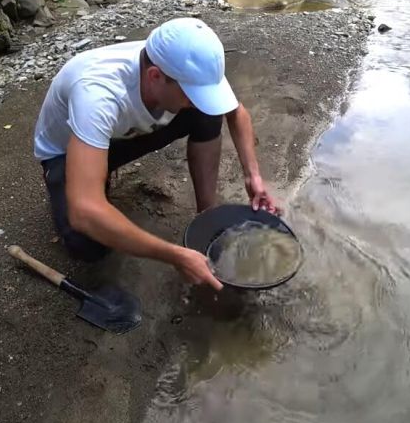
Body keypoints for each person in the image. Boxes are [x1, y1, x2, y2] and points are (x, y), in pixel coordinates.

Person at [33, 17, 278, 291]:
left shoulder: (184, 63)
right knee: (87, 244)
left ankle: (206, 216)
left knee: (208, 114)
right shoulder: (98, 94)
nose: (195, 100)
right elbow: (84, 212)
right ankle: (86, 178)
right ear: (154, 77)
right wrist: (175, 255)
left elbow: (236, 112)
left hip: (126, 132)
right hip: (68, 151)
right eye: (190, 94)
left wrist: (253, 176)